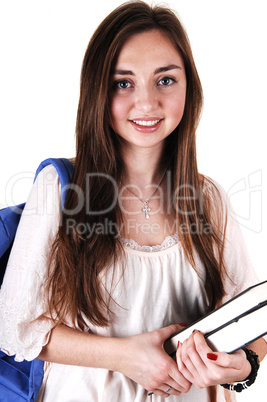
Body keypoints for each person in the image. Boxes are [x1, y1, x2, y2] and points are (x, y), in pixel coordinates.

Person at [0, 1, 266, 401]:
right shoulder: (61, 188)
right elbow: (13, 326)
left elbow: (254, 321)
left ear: (188, 86)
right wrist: (125, 356)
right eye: (123, 83)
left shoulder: (209, 199)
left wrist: (243, 365)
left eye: (165, 80)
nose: (146, 103)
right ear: (98, 91)